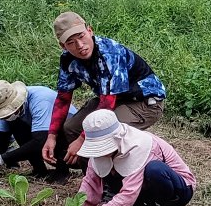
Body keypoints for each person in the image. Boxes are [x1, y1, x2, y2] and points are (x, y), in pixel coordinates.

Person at [43, 11, 166, 169]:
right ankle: (93, 176)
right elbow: (63, 99)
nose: (80, 46)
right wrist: (51, 136)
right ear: (63, 46)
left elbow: (107, 105)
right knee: (71, 128)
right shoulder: (67, 59)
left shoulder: (109, 54)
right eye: (71, 42)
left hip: (145, 102)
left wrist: (82, 141)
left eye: (81, 36)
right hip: (114, 98)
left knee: (105, 134)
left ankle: (116, 182)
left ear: (90, 30)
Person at [77, 108, 195, 206]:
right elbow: (90, 181)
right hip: (144, 188)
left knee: (154, 169)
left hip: (178, 189)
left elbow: (129, 192)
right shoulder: (99, 152)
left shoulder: (140, 146)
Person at [0, 80, 73, 178]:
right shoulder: (9, 113)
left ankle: (62, 171)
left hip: (69, 137)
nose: (4, 117)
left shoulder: (40, 100)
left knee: (55, 131)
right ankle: (40, 171)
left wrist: (0, 160)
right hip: (42, 134)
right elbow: (0, 142)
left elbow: (40, 141)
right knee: (16, 125)